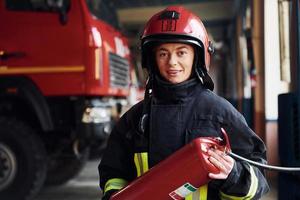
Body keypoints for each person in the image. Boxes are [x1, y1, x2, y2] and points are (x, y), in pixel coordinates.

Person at [99, 6, 270, 200]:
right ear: (152, 59)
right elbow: (112, 172)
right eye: (163, 53)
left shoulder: (220, 114)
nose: (171, 62)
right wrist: (116, 195)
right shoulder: (134, 119)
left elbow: (259, 181)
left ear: (197, 57)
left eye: (181, 53)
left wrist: (233, 175)